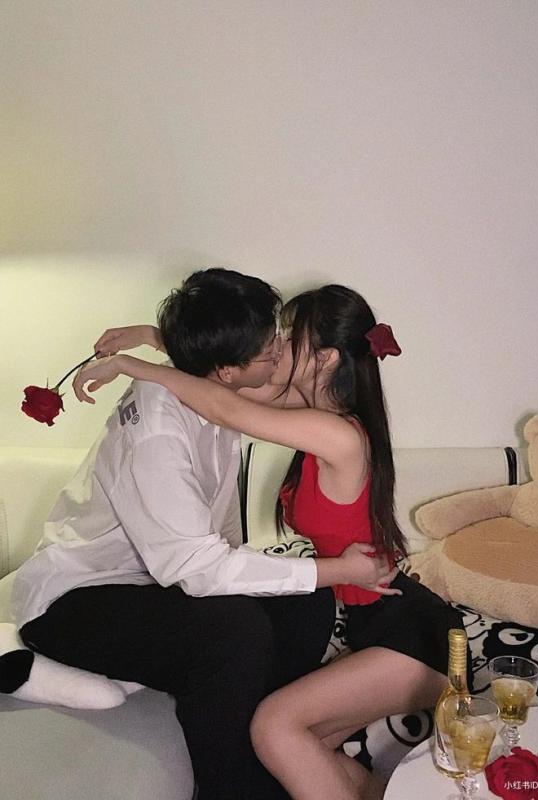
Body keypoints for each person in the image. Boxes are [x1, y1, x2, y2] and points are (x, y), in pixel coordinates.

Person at [73, 282, 470, 800]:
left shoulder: (339, 434)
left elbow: (226, 408)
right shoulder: (305, 407)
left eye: (288, 336)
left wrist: (133, 366)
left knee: (273, 727)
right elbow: (225, 377)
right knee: (287, 757)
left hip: (408, 632)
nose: (276, 346)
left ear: (324, 358)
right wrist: (154, 336)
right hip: (366, 622)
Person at [11, 269, 397, 800]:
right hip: (77, 598)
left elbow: (225, 391)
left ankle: (262, 743)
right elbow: (198, 568)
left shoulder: (217, 386)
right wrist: (337, 570)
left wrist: (150, 341)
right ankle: (229, 786)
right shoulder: (158, 432)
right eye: (270, 347)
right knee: (236, 630)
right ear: (229, 369)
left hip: (153, 584)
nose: (279, 352)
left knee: (304, 605)